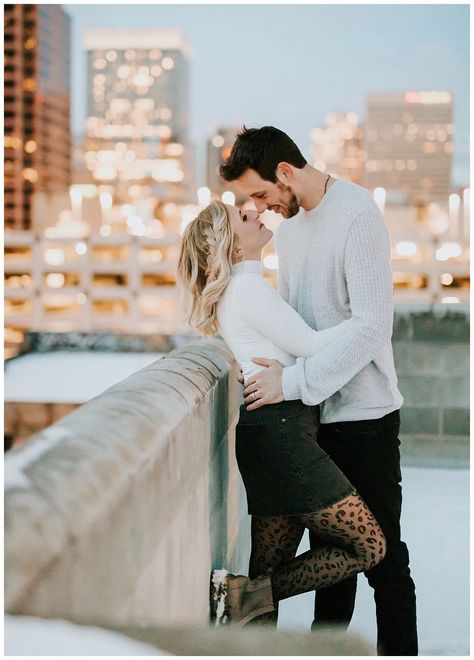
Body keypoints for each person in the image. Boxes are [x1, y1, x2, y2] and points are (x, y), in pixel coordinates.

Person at [219, 126, 418, 655]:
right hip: (305, 419)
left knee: (384, 563)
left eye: (260, 193)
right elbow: (292, 323)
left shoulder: (356, 214)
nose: (259, 207)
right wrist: (259, 364)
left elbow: (373, 325)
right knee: (331, 570)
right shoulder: (287, 230)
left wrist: (295, 382)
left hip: (363, 416)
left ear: (285, 173)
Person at [177, 200, 386, 629]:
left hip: (272, 434)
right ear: (235, 249)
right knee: (368, 545)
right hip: (283, 435)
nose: (252, 210)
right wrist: (370, 320)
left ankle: (251, 598)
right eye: (241, 217)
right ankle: (248, 594)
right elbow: (310, 345)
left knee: (265, 573)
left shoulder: (243, 291)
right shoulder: (248, 290)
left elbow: (277, 347)